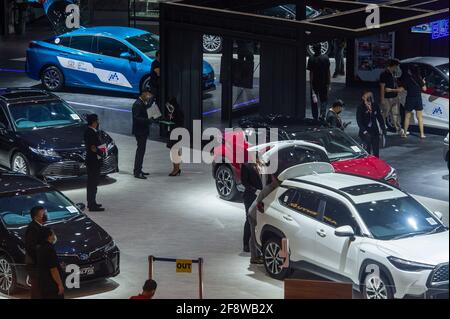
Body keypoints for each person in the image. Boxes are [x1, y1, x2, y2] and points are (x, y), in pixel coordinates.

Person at [248, 173, 280, 265]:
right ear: (273, 178)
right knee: (254, 236)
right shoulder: (269, 189)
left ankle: (255, 255)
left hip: (256, 213)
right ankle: (254, 258)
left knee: (253, 235)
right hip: (254, 214)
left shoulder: (273, 188)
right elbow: (260, 203)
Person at [25, 206, 47, 299]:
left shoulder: (39, 226)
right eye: (43, 214)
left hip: (38, 263)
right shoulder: (32, 228)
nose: (45, 215)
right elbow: (31, 248)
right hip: (35, 264)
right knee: (36, 289)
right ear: (36, 217)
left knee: (40, 288)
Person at [84, 114, 105, 212]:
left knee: (94, 183)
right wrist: (102, 152)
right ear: (93, 122)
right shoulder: (90, 132)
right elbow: (93, 148)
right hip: (93, 161)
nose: (98, 123)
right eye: (97, 121)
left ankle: (93, 202)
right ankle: (91, 204)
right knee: (92, 183)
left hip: (94, 160)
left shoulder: (93, 131)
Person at [240, 161, 263, 253]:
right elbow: (244, 182)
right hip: (250, 197)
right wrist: (255, 190)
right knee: (249, 220)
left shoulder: (263, 164)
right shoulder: (246, 166)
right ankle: (246, 244)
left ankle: (256, 244)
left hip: (261, 197)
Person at [357, 90, 387, 158]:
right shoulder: (360, 107)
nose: (369, 102)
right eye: (366, 97)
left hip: (375, 132)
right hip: (365, 132)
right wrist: (365, 132)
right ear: (363, 98)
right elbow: (359, 121)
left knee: (376, 152)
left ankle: (376, 166)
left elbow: (379, 117)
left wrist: (383, 127)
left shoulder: (375, 105)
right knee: (367, 152)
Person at [36, 227, 64, 299]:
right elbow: (53, 270)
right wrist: (60, 284)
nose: (54, 235)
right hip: (52, 285)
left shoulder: (39, 248)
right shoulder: (49, 249)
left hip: (43, 284)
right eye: (53, 233)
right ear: (49, 236)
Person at [401, 65, 427, 139]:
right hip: (418, 99)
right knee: (420, 117)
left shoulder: (408, 79)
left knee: (407, 117)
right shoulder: (419, 78)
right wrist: (424, 82)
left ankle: (405, 133)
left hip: (410, 99)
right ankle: (422, 134)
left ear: (410, 71)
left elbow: (403, 89)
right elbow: (424, 89)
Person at [379, 59, 404, 135]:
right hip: (387, 98)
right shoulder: (384, 74)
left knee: (396, 114)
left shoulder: (394, 73)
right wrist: (382, 99)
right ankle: (381, 129)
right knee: (384, 114)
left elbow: (396, 84)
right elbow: (382, 87)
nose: (398, 68)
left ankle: (398, 129)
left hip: (395, 97)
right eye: (397, 66)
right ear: (393, 66)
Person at [132, 91, 154, 179]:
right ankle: (137, 172)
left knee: (141, 151)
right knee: (140, 151)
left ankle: (139, 169)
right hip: (139, 131)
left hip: (143, 131)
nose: (149, 97)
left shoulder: (142, 103)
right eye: (148, 95)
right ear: (143, 94)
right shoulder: (137, 104)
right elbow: (136, 118)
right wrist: (148, 121)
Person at [307, 43, 331, 120]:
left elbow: (311, 73)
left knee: (314, 101)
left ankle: (315, 117)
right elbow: (328, 72)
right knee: (324, 100)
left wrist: (310, 84)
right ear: (320, 48)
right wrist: (329, 83)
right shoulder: (326, 58)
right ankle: (322, 116)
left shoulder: (311, 59)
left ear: (313, 49)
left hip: (314, 84)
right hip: (324, 83)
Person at [165, 97, 184, 176]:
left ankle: (176, 169)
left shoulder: (178, 111)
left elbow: (179, 122)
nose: (168, 106)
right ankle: (176, 168)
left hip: (176, 134)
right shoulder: (171, 111)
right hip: (172, 133)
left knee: (175, 151)